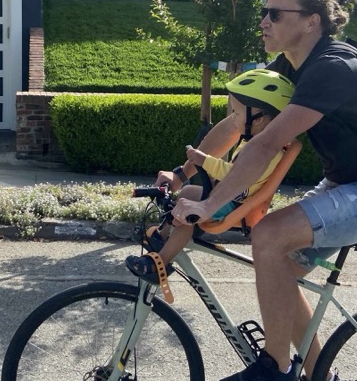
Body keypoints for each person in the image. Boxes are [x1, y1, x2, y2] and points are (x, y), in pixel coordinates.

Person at [171, 0, 357, 381]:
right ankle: (324, 379)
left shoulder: (332, 68)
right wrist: (182, 175)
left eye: (275, 12)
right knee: (281, 269)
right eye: (263, 11)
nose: (264, 21)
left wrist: (210, 203)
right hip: (348, 184)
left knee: (268, 236)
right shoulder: (289, 66)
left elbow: (268, 142)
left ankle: (276, 369)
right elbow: (239, 124)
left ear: (311, 21)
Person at [125, 69, 296, 285]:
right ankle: (160, 235)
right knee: (187, 192)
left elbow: (233, 175)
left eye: (236, 113)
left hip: (234, 203)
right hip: (231, 198)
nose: (232, 118)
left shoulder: (265, 150)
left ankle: (160, 263)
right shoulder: (255, 141)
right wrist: (186, 172)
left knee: (188, 210)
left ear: (259, 119)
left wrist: (204, 160)